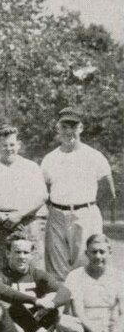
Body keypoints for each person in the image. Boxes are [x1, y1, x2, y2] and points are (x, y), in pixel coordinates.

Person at [41, 107, 117, 280]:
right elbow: (44, 190)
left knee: (86, 263)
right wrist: (56, 209)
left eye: (73, 126)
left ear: (81, 128)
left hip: (86, 214)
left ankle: (86, 305)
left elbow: (108, 191)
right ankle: (60, 306)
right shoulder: (49, 158)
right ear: (57, 128)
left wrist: (89, 209)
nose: (69, 131)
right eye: (64, 127)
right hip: (57, 216)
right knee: (56, 268)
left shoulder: (94, 156)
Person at [0, 235, 79, 332]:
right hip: (11, 325)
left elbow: (65, 291)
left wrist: (51, 304)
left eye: (26, 253)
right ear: (8, 253)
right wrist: (36, 301)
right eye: (17, 252)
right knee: (9, 304)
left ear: (32, 255)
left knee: (53, 300)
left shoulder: (37, 274)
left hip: (34, 320)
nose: (22, 257)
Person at [0, 125, 47, 274]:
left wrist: (19, 215)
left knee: (32, 266)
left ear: (18, 145)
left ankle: (33, 296)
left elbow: (42, 196)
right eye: (4, 145)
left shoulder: (31, 167)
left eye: (12, 145)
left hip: (26, 220)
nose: (8, 149)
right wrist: (1, 218)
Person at [63, 234, 124, 332]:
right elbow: (78, 312)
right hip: (84, 329)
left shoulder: (119, 276)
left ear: (109, 252)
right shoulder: (75, 276)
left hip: (111, 329)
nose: (98, 256)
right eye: (94, 252)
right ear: (87, 254)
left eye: (102, 252)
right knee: (62, 321)